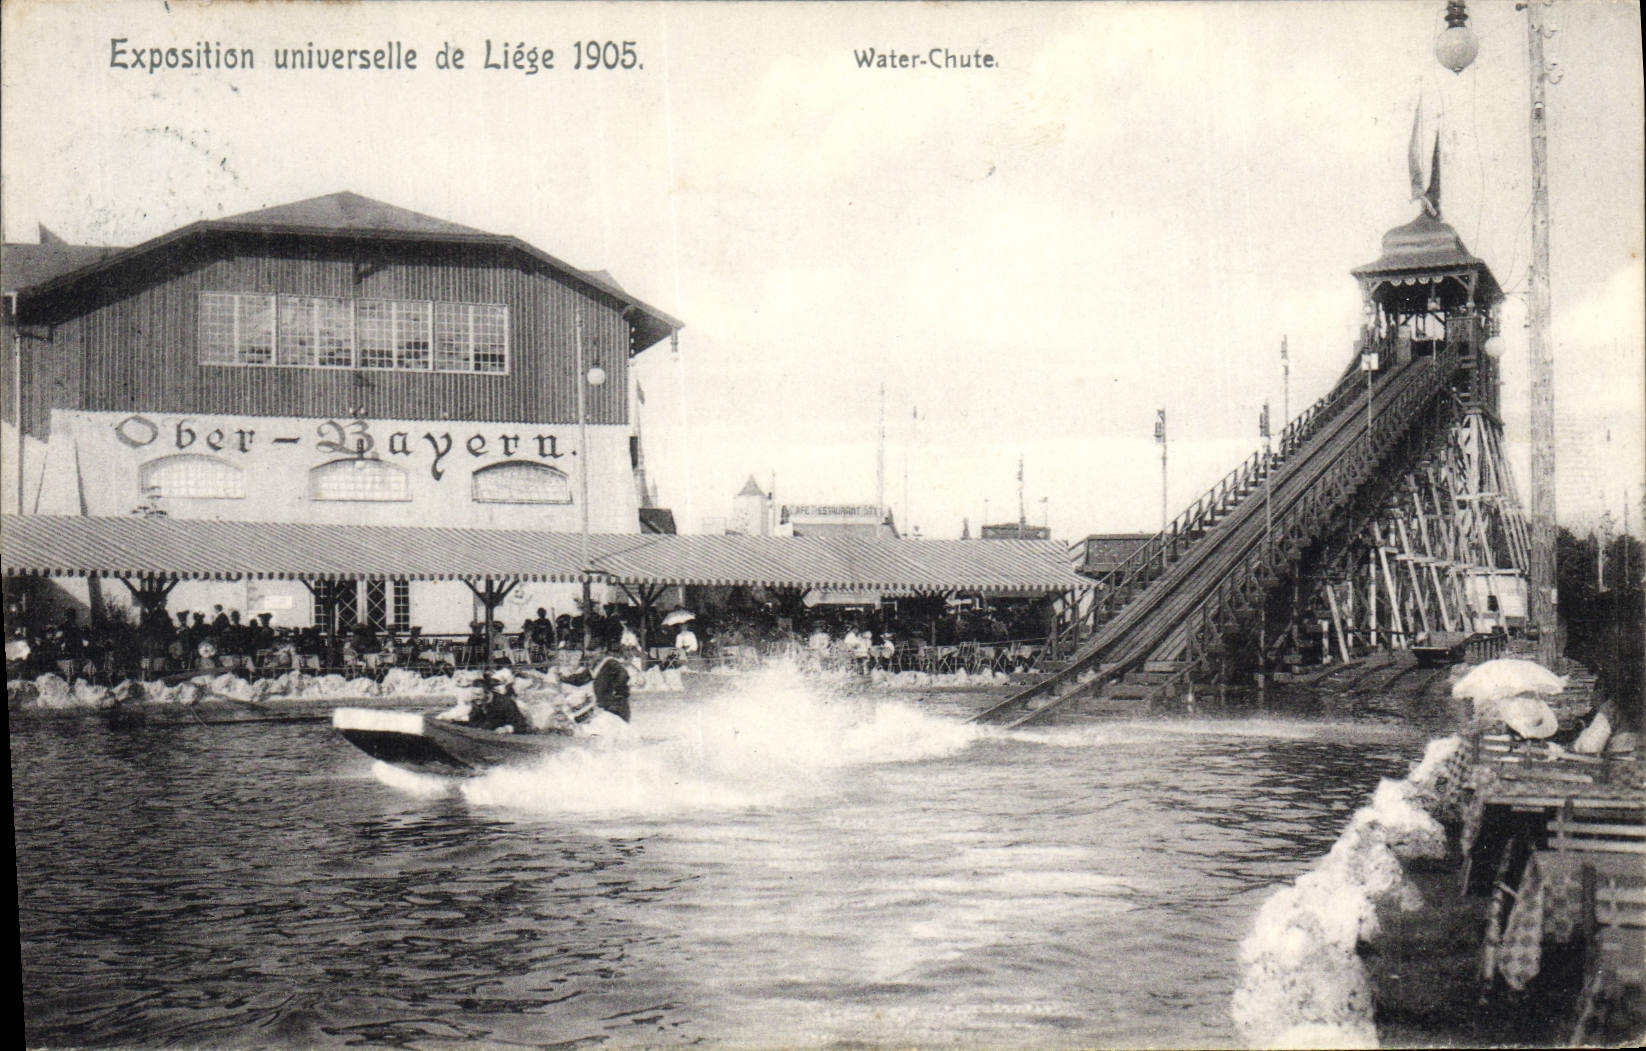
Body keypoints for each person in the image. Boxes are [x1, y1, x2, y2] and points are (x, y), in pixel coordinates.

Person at [560, 639, 633, 722]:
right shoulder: (595, 666)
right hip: (603, 705)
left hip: (616, 706)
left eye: (594, 650)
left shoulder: (611, 663)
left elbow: (624, 674)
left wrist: (616, 690)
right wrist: (564, 679)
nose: (592, 654)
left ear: (603, 649)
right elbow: (581, 679)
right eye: (590, 651)